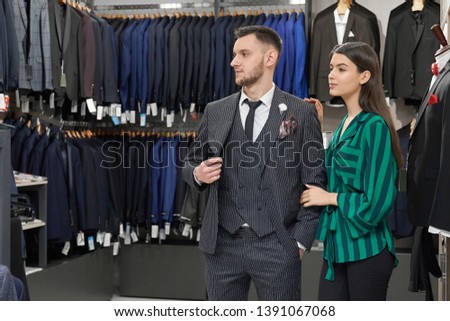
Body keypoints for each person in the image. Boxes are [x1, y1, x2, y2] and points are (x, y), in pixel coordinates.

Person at [183, 25, 326, 301]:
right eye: (235, 54)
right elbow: (189, 163)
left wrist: (298, 242)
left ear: (270, 58)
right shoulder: (216, 111)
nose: (233, 61)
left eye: (244, 54)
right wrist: (198, 174)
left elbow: (314, 181)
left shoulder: (301, 112)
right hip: (222, 247)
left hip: (278, 245)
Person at [300, 42, 403, 301]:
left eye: (341, 69)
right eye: (331, 68)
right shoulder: (345, 123)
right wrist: (317, 127)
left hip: (367, 251)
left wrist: (330, 198)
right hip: (336, 250)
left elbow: (377, 203)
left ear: (364, 76)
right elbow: (329, 175)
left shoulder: (374, 126)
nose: (331, 75)